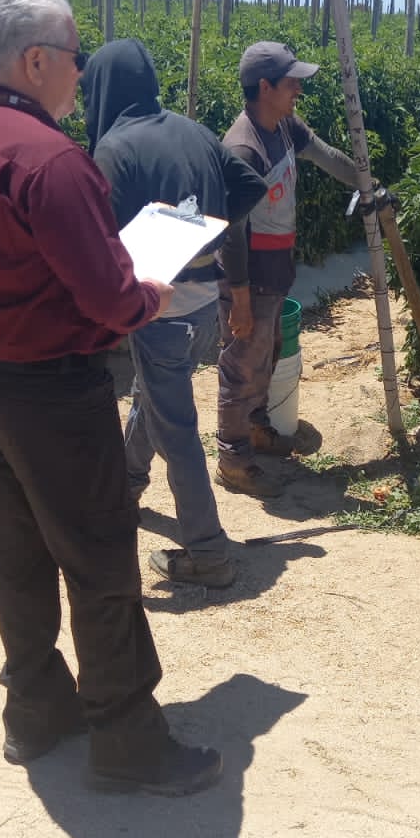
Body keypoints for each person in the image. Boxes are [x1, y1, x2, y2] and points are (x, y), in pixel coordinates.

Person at [0, 0, 220, 795]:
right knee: (100, 557)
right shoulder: (51, 161)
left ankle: (35, 710)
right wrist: (147, 289)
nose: (80, 74)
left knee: (15, 546)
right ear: (37, 60)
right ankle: (127, 740)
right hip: (54, 390)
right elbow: (113, 301)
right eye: (74, 57)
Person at [82, 39, 268, 589]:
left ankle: (209, 554)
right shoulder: (195, 131)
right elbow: (250, 186)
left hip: (157, 306)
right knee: (157, 397)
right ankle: (126, 486)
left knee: (178, 428)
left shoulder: (115, 149)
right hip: (205, 300)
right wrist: (202, 229)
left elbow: (97, 237)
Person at [216, 41, 365, 498]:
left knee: (268, 356)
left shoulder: (283, 125)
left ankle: (256, 431)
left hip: (275, 266)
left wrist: (369, 185)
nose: (298, 87)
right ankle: (233, 460)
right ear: (265, 87)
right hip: (250, 271)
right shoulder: (244, 148)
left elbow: (324, 154)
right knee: (242, 366)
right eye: (290, 81)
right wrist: (239, 298)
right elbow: (232, 233)